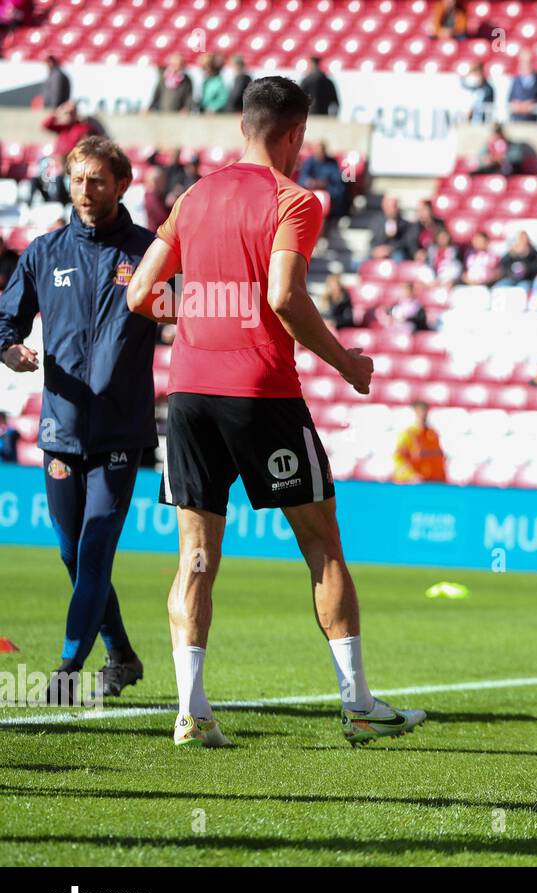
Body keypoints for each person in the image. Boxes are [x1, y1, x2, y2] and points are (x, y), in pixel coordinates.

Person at [126, 76, 426, 748]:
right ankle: (357, 706)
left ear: (242, 127)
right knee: (321, 542)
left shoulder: (193, 196)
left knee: (196, 556)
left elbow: (141, 294)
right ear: (295, 135)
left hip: (191, 393)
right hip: (260, 390)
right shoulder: (295, 199)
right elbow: (285, 295)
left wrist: (202, 312)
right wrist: (347, 362)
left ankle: (191, 711)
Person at [0, 136, 157, 701]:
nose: (86, 190)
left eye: (97, 180)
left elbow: (191, 311)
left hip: (121, 431)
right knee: (72, 553)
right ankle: (122, 654)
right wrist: (10, 349)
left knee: (94, 547)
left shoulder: (151, 253)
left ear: (121, 185)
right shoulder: (44, 252)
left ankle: (67, 670)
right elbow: (5, 320)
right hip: (60, 430)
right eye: (77, 179)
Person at [392, 401, 446, 482]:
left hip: (431, 481)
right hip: (412, 482)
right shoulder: (408, 434)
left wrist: (440, 478)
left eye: (424, 412)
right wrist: (411, 476)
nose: (422, 415)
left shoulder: (432, 434)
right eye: (419, 413)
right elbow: (399, 459)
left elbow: (437, 458)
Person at [298, 141, 347, 220]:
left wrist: (324, 183)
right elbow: (303, 177)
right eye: (317, 151)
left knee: (340, 190)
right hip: (311, 190)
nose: (319, 153)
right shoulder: (309, 162)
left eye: (321, 151)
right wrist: (310, 182)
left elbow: (336, 178)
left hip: (328, 189)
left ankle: (334, 217)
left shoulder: (332, 162)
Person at [369, 195, 420, 261]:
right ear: (384, 206)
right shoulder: (376, 221)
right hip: (378, 251)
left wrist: (390, 249)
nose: (393, 209)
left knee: (399, 256)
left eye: (394, 206)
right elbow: (375, 239)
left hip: (396, 252)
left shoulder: (404, 224)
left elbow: (406, 242)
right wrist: (378, 250)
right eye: (390, 206)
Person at [508, 52, 537, 121]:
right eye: (523, 62)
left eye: (529, 62)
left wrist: (533, 103)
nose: (526, 65)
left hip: (535, 121)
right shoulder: (515, 80)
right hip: (518, 120)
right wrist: (517, 104)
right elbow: (511, 98)